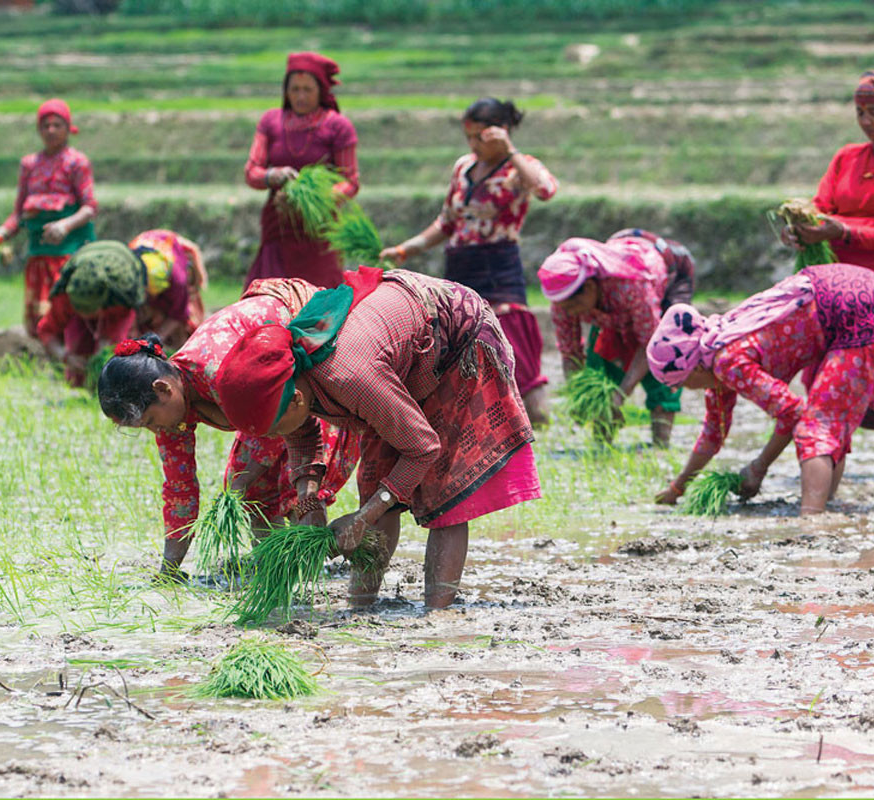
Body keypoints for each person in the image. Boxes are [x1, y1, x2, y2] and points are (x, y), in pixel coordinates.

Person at [213, 267, 540, 610]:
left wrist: (363, 518)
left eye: (274, 427)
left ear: (294, 398)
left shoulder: (349, 376)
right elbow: (300, 433)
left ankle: (437, 614)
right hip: (397, 362)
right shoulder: (298, 373)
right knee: (374, 483)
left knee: (444, 493)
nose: (278, 436)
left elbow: (423, 448)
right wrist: (308, 499)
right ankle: (360, 604)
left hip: (455, 343)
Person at [96, 279, 360, 577]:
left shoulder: (216, 370)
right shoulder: (171, 413)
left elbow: (274, 421)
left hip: (306, 360)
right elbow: (179, 489)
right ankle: (274, 564)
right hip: (268, 400)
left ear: (163, 388)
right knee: (253, 493)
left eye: (151, 422)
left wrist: (234, 488)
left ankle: (304, 563)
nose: (156, 431)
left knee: (296, 485)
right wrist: (168, 570)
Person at [648, 264, 874, 515]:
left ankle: (812, 524)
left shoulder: (727, 361)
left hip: (864, 314)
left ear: (693, 368)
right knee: (830, 423)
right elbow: (713, 432)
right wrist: (677, 487)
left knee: (817, 426)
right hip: (859, 300)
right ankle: (828, 506)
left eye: (680, 383)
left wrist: (758, 467)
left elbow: (792, 412)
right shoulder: (716, 346)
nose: (684, 389)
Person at [379, 97, 558, 426]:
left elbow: (545, 189)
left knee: (515, 345)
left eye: (480, 138)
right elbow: (447, 222)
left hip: (498, 266)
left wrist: (510, 150)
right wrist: (406, 249)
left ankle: (536, 420)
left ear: (499, 133)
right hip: (461, 268)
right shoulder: (464, 167)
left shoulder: (520, 167)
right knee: (459, 347)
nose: (474, 145)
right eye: (469, 138)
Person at [784, 70, 874, 474]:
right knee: (824, 376)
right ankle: (831, 469)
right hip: (830, 287)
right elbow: (821, 207)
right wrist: (802, 231)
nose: (865, 121)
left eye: (873, 112)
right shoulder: (846, 157)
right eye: (859, 112)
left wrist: (846, 232)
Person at [538, 229, 696, 447]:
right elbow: (569, 353)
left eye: (575, 306)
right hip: (610, 310)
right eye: (566, 308)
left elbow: (651, 343)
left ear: (590, 287)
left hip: (663, 278)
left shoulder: (631, 286)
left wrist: (620, 395)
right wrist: (579, 395)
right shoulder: (563, 302)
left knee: (664, 362)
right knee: (600, 368)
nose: (572, 313)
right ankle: (601, 444)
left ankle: (661, 445)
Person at [243, 52, 360, 289]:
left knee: (319, 307)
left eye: (308, 90)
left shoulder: (337, 126)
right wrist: (272, 176)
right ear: (285, 91)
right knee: (271, 302)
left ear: (321, 92)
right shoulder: (271, 122)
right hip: (279, 228)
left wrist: (316, 199)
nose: (300, 96)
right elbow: (252, 171)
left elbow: (350, 182)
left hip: (320, 233)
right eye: (295, 89)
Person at [0, 99, 97, 337]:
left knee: (70, 315)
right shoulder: (29, 165)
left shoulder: (77, 163)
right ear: (39, 130)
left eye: (57, 125)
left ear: (68, 128)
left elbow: (89, 207)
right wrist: (0, 234)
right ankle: (48, 364)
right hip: (38, 255)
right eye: (45, 125)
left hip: (69, 253)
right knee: (39, 320)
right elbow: (19, 214)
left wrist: (64, 225)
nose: (51, 130)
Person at [40, 231, 208, 387]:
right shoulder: (67, 297)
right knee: (81, 345)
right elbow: (47, 330)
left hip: (131, 295)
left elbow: (178, 315)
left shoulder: (126, 295)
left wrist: (152, 341)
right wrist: (66, 357)